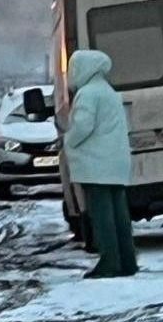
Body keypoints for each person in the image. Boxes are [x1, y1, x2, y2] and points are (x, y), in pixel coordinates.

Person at [63, 50, 138, 278]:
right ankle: (127, 261)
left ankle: (109, 262)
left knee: (102, 217)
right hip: (114, 164)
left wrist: (68, 139)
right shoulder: (109, 92)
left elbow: (83, 126)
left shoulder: (87, 94)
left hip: (96, 166)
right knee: (119, 216)